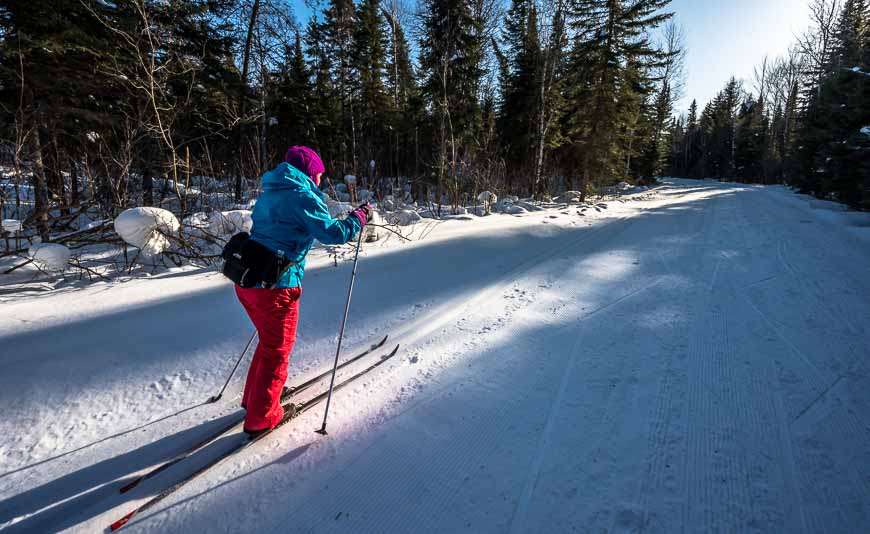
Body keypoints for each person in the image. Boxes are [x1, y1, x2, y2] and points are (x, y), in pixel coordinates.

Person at [235, 146, 372, 437]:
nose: (320, 180)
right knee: (277, 349)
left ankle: (255, 399)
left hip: (248, 280)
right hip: (277, 286)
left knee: (268, 342)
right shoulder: (303, 194)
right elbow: (331, 234)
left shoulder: (271, 189)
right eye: (320, 174)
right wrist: (358, 219)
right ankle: (262, 418)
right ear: (311, 172)